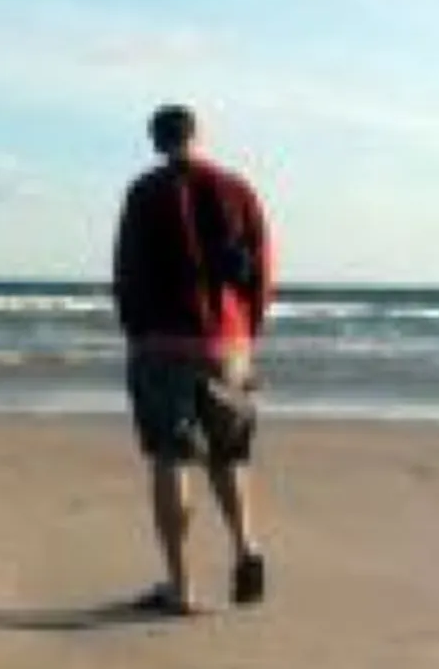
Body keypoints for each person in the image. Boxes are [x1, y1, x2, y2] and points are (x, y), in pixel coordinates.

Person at [112, 104, 274, 615]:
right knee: (229, 455)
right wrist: (247, 332)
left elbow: (127, 271)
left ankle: (181, 586)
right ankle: (246, 545)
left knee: (172, 457)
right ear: (198, 135)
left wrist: (135, 332)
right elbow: (262, 267)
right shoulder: (235, 188)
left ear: (155, 141)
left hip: (163, 342)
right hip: (226, 341)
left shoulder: (144, 193)